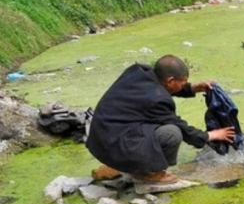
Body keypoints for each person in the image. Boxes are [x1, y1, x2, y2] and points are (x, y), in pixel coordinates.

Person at [85, 54, 236, 184]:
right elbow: (183, 129)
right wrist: (212, 135)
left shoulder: (139, 72)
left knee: (152, 127)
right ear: (170, 81)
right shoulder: (158, 100)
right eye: (182, 83)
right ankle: (151, 175)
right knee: (172, 133)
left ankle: (115, 165)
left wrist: (192, 88)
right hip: (114, 144)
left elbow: (158, 90)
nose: (183, 85)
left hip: (102, 139)